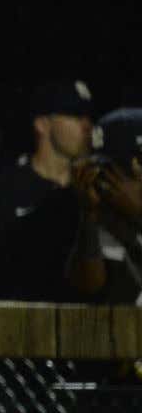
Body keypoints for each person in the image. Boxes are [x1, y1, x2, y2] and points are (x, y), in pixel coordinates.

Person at [0, 80, 96, 302]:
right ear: (42, 124)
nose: (87, 125)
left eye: (89, 117)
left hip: (81, 328)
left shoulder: (94, 192)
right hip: (14, 329)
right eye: (75, 116)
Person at [70, 109, 142, 304]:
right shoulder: (98, 217)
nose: (107, 180)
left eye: (117, 170)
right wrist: (89, 215)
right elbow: (89, 286)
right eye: (103, 169)